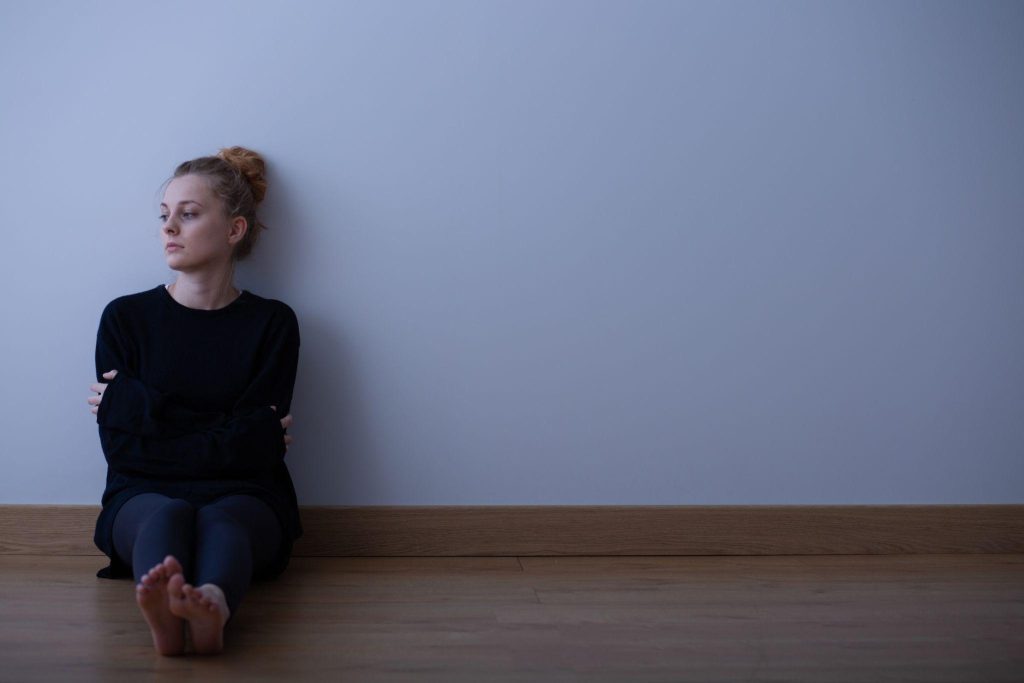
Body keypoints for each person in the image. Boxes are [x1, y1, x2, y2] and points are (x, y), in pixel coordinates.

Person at [86, 146, 302, 656]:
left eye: (188, 214)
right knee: (171, 514)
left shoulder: (273, 324)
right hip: (140, 494)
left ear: (234, 230)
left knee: (220, 520)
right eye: (165, 215)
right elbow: (124, 453)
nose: (169, 228)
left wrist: (143, 410)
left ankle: (212, 605)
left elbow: (260, 453)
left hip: (249, 496)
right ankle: (165, 609)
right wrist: (233, 430)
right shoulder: (125, 319)